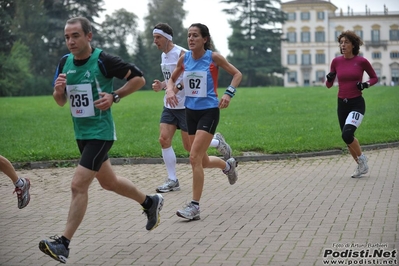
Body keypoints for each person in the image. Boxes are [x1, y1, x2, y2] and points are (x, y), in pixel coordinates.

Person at [38, 17, 164, 264]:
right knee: (109, 182)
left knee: (78, 185)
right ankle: (150, 202)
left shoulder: (104, 61)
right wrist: (58, 91)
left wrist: (115, 96)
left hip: (101, 133)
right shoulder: (64, 62)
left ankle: (63, 244)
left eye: (75, 35)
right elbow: (60, 101)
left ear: (89, 36)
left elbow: (138, 78)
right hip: (81, 134)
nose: (71, 41)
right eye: (67, 37)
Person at [165, 23, 242, 220]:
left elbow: (237, 74)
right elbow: (173, 81)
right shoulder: (185, 58)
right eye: (189, 36)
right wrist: (170, 89)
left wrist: (228, 94)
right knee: (203, 160)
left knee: (193, 158)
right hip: (190, 112)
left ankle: (195, 207)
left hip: (209, 111)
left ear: (204, 39)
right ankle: (227, 166)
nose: (191, 39)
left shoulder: (213, 57)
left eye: (195, 36)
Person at [151, 23, 233, 193]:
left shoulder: (183, 53)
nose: (155, 41)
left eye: (158, 37)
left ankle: (217, 144)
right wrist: (165, 87)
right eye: (154, 38)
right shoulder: (164, 57)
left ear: (167, 38)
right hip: (171, 105)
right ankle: (173, 179)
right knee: (164, 139)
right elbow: (172, 79)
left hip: (187, 106)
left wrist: (174, 90)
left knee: (192, 151)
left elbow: (189, 78)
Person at [325, 30, 378, 178]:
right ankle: (361, 166)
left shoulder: (361, 61)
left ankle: (362, 160)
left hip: (356, 103)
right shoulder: (336, 62)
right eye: (341, 42)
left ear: (353, 45)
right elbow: (329, 85)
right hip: (342, 103)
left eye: (346, 42)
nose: (343, 45)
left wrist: (365, 85)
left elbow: (374, 77)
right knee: (346, 137)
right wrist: (329, 78)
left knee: (347, 133)